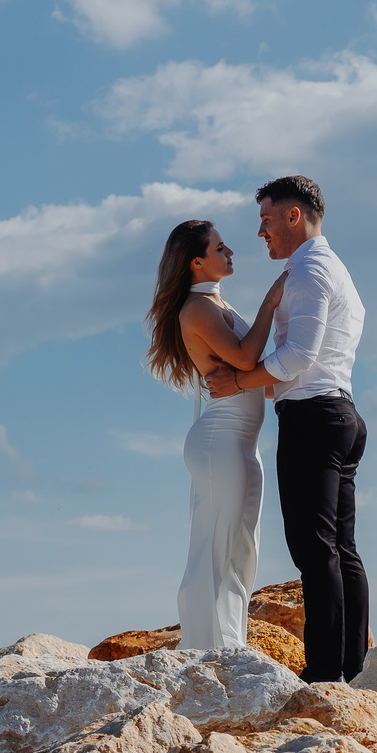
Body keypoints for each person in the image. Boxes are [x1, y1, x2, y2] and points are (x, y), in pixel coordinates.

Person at [202, 174, 368, 683]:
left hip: (314, 419)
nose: (261, 233)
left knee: (315, 550)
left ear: (294, 216)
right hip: (336, 412)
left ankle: (325, 676)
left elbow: (298, 356)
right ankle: (347, 668)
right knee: (341, 549)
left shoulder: (310, 272)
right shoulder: (330, 268)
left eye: (266, 220)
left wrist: (239, 382)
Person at [143, 219, 283, 650]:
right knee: (213, 549)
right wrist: (271, 303)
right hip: (219, 440)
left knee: (241, 551)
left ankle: (231, 648)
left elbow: (259, 376)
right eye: (221, 248)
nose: (231, 253)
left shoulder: (219, 305)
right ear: (197, 262)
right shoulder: (198, 309)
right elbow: (244, 357)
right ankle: (202, 653)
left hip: (242, 443)